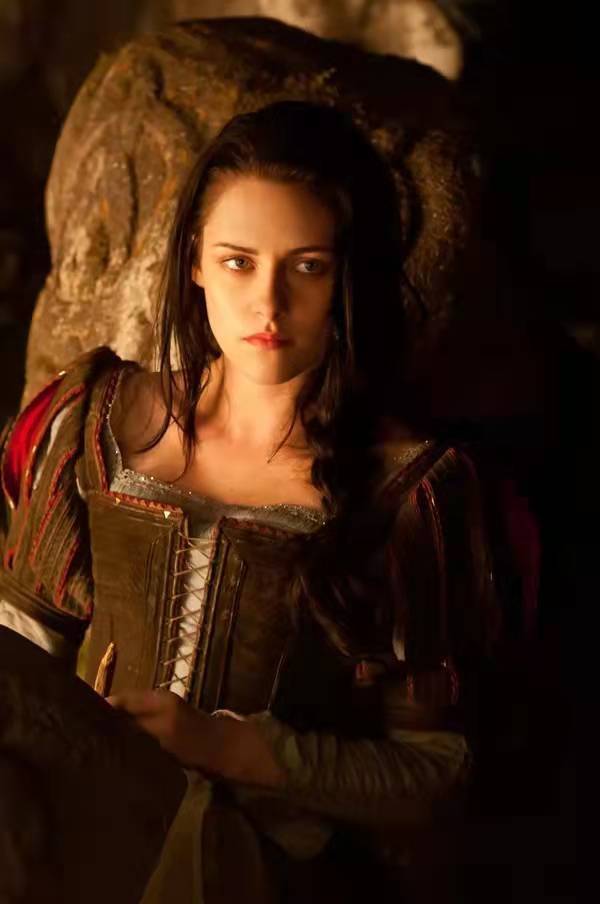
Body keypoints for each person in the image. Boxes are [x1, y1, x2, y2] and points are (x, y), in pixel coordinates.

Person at [0, 101, 535, 902]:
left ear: (348, 275)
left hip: (271, 873)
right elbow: (18, 658)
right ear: (195, 261)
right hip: (77, 841)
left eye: (307, 266)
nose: (268, 304)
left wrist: (235, 750)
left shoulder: (411, 490)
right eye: (239, 262)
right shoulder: (94, 423)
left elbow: (436, 772)